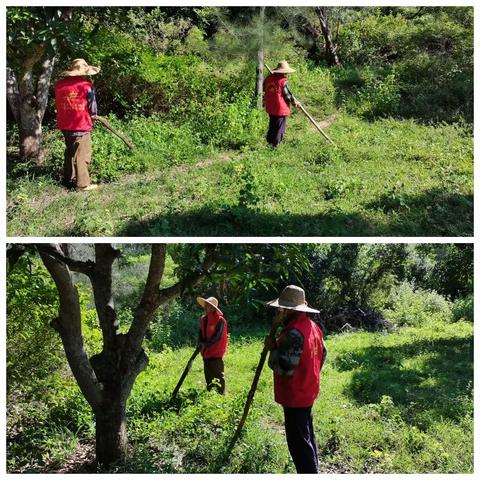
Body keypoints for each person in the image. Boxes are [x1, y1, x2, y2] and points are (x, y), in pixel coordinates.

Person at [264, 285, 327, 474]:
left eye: (283, 308)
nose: (280, 311)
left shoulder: (293, 332)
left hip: (295, 395)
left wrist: (273, 349)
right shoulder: (312, 327)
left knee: (298, 443)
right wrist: (309, 373)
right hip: (307, 391)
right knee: (307, 434)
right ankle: (313, 469)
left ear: (292, 309)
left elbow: (283, 367)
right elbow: (323, 354)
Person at [54, 58, 100, 192]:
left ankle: (68, 178)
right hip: (81, 124)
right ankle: (83, 184)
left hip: (64, 124)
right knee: (82, 154)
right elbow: (93, 107)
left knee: (69, 152)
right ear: (85, 72)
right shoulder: (87, 86)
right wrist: (93, 116)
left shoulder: (59, 85)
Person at [263, 60, 300, 147]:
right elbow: (288, 95)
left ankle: (270, 142)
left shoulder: (268, 78)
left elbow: (264, 89)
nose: (287, 73)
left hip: (270, 106)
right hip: (280, 108)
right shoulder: (282, 81)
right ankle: (275, 145)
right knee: (279, 127)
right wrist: (295, 103)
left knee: (272, 125)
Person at [196, 296, 228, 394]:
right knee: (208, 375)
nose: (206, 307)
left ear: (214, 308)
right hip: (205, 352)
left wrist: (205, 344)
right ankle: (210, 393)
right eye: (206, 305)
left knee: (218, 375)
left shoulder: (220, 320)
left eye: (209, 306)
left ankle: (221, 394)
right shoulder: (203, 319)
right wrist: (200, 343)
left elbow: (217, 336)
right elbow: (201, 333)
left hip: (216, 351)